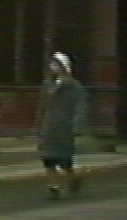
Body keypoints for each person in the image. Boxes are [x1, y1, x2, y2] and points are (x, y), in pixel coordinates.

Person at [36, 52, 88, 200]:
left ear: (64, 67)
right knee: (47, 160)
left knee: (64, 161)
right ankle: (54, 188)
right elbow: (42, 105)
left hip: (64, 128)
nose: (52, 67)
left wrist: (77, 126)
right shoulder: (47, 84)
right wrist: (38, 123)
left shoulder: (74, 86)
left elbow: (80, 107)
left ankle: (73, 178)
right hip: (48, 127)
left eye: (56, 64)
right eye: (52, 64)